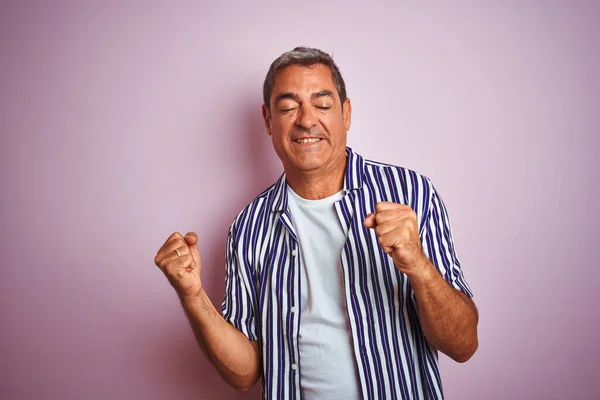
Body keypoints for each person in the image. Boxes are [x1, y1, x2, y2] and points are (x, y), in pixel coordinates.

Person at [154, 46, 478, 400]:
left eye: (322, 105)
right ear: (267, 120)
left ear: (347, 113)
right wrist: (192, 296)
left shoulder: (411, 194)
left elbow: (463, 345)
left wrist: (417, 264)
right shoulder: (248, 227)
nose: (307, 120)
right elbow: (245, 374)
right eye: (288, 107)